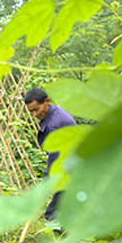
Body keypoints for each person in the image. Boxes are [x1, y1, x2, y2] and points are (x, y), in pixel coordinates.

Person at [24, 87, 77, 220]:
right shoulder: (55, 112)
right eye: (31, 111)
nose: (35, 114)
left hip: (70, 170)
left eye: (36, 109)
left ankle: (64, 238)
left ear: (46, 101)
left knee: (52, 215)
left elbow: (55, 160)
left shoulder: (54, 125)